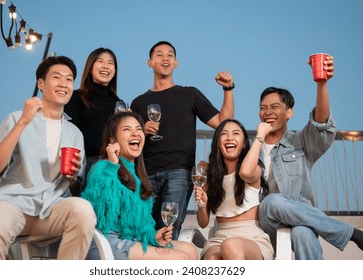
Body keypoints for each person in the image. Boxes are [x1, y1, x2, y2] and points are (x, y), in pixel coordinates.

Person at [0, 56, 96, 260]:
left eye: (68, 79)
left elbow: (76, 186)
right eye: (56, 77)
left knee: (83, 211)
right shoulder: (16, 118)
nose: (63, 84)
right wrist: (23, 121)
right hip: (13, 203)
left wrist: (74, 176)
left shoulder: (75, 134)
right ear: (41, 84)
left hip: (52, 208)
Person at [258, 55, 363, 259]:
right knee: (272, 202)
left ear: (289, 113)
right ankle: (350, 233)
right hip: (265, 219)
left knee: (303, 234)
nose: (267, 112)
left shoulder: (300, 142)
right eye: (263, 108)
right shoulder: (253, 147)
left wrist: (322, 83)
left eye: (274, 107)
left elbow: (321, 124)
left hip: (301, 219)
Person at [130, 41, 234, 239]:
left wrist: (228, 89)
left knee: (169, 231)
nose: (165, 58)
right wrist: (141, 131)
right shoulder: (138, 102)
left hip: (179, 172)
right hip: (145, 174)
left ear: (176, 63)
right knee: (144, 232)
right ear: (150, 62)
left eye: (170, 55)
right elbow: (128, 140)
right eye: (159, 55)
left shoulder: (189, 94)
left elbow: (224, 121)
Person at [81, 111, 198, 260]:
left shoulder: (139, 176)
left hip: (131, 240)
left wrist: (154, 237)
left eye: (138, 129)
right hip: (105, 242)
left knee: (189, 250)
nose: (135, 133)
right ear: (112, 140)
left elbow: (143, 223)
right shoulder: (102, 167)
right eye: (127, 129)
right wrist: (112, 165)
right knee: (180, 259)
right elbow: (101, 213)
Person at [195, 119, 274, 260]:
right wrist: (202, 205)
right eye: (224, 134)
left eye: (236, 133)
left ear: (243, 144)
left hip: (251, 238)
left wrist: (260, 136)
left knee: (230, 246)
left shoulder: (254, 170)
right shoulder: (209, 176)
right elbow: (203, 223)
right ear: (218, 143)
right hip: (219, 237)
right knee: (212, 259)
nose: (230, 137)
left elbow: (245, 172)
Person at [64, 47, 123, 195]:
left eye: (110, 63)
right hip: (87, 164)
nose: (106, 66)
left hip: (114, 164)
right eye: (100, 61)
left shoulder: (120, 104)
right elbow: (68, 133)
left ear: (115, 70)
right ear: (90, 68)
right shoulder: (76, 97)